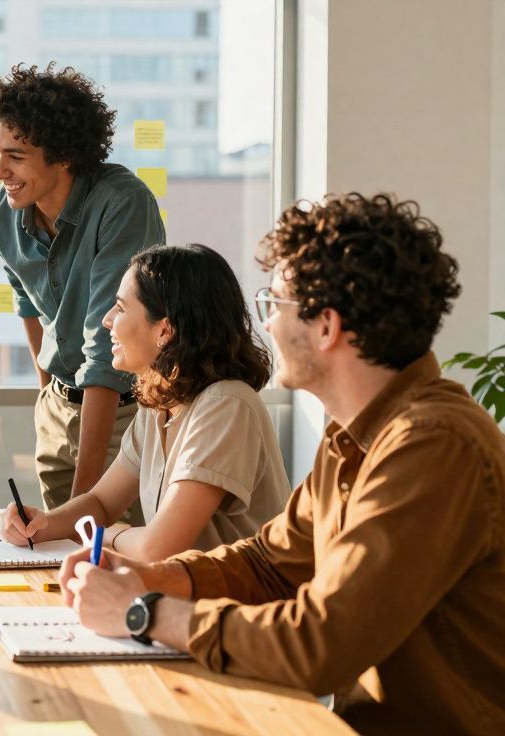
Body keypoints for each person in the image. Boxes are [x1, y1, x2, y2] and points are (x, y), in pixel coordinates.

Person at [63, 193, 505, 732]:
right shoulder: (355, 436)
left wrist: (145, 611)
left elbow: (324, 642)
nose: (266, 326)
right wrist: (148, 576)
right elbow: (269, 565)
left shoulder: (431, 446)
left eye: (274, 305)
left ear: (327, 326)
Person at [0, 244, 289, 559]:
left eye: (121, 308)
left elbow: (158, 546)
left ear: (164, 329)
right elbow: (100, 503)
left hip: (239, 605)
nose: (107, 320)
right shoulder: (159, 404)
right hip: (186, 598)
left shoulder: (226, 404)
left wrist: (103, 535)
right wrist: (40, 524)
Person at [0, 63, 165, 515]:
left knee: (113, 556)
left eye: (15, 155)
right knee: (53, 565)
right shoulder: (1, 213)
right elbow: (27, 302)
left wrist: (81, 504)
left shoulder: (121, 204)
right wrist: (48, 399)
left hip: (125, 409)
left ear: (63, 155)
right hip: (61, 404)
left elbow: (105, 354)